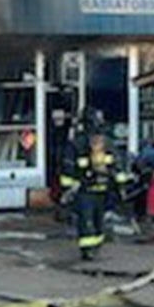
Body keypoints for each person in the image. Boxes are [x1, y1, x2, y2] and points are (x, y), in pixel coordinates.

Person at [60, 108, 129, 260]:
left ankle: (92, 246)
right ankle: (89, 249)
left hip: (93, 190)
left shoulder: (78, 143)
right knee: (91, 220)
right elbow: (118, 167)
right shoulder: (104, 143)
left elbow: (68, 168)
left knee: (93, 220)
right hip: (93, 189)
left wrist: (67, 189)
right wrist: (121, 188)